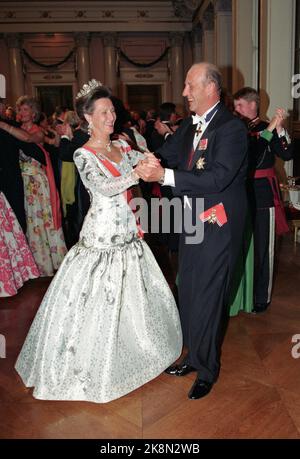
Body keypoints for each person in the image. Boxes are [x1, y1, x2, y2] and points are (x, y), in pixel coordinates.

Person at [15, 82, 182, 404]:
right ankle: (88, 366)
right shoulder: (82, 152)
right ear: (87, 117)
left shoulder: (122, 145)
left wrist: (153, 161)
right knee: (98, 301)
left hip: (130, 233)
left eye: (112, 111)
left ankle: (138, 351)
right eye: (104, 112)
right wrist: (138, 173)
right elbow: (104, 187)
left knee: (133, 300)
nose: (110, 116)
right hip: (102, 236)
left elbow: (150, 158)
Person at [135, 62, 248, 399]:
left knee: (210, 297)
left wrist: (164, 177)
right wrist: (143, 159)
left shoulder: (231, 129)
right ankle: (193, 356)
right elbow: (165, 153)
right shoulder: (188, 127)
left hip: (217, 224)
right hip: (189, 221)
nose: (184, 93)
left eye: (189, 86)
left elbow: (217, 178)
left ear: (210, 87)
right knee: (189, 290)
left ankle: (208, 369)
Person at [233, 87, 293, 313]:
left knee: (262, 248)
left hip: (262, 194)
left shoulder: (264, 126)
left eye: (240, 105)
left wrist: (280, 129)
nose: (236, 110)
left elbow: (286, 154)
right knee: (241, 247)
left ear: (252, 105)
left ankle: (261, 298)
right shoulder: (235, 128)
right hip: (239, 193)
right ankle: (242, 295)